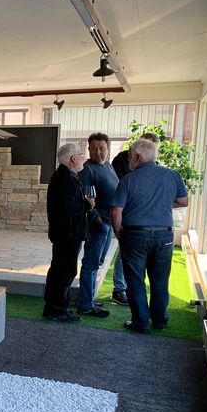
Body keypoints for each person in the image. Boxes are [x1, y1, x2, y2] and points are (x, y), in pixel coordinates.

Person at [111, 138, 188, 334]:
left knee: (135, 280)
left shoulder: (129, 179)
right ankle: (160, 321)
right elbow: (183, 201)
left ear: (138, 157)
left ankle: (140, 322)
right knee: (160, 280)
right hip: (164, 235)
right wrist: (162, 204)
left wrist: (118, 232)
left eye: (130, 155)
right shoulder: (172, 175)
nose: (129, 159)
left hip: (135, 234)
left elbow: (116, 211)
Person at [43, 143, 93, 323]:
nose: (84, 159)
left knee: (60, 270)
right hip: (67, 234)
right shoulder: (64, 179)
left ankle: (54, 307)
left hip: (66, 233)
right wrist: (87, 204)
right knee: (64, 271)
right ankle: (57, 309)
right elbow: (68, 207)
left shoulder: (65, 176)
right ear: (73, 159)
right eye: (81, 155)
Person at [75, 132, 120, 318]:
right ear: (88, 149)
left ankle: (88, 297)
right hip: (97, 224)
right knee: (91, 263)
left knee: (97, 262)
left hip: (108, 223)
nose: (98, 152)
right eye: (94, 148)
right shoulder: (87, 170)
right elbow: (85, 200)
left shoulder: (108, 166)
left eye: (101, 148)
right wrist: (99, 223)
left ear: (107, 149)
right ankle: (86, 304)